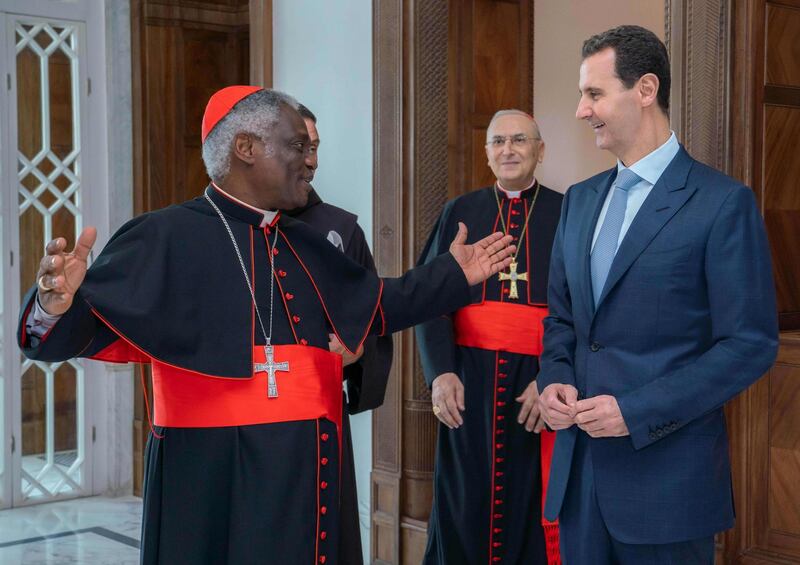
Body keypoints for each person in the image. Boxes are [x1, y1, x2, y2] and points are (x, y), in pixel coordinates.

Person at [18, 86, 516, 565]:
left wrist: (452, 274)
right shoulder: (162, 236)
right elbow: (72, 334)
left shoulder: (305, 241)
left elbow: (380, 303)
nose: (310, 159)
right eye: (297, 145)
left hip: (307, 469)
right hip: (212, 477)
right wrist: (54, 303)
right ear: (246, 148)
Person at [536, 25, 778, 564]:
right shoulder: (578, 202)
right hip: (579, 486)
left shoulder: (722, 204)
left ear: (645, 89)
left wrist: (636, 411)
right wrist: (553, 379)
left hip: (669, 490)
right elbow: (563, 321)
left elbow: (750, 344)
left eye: (594, 94)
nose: (581, 110)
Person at [416, 109, 563, 565]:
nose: (508, 150)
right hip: (469, 380)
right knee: (465, 501)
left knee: (528, 499)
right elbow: (430, 299)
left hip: (535, 384)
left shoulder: (568, 211)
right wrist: (441, 373)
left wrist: (556, 375)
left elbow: (583, 310)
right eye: (498, 141)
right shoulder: (460, 212)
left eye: (520, 140)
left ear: (540, 150)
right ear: (486, 154)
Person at [286, 103, 393, 565]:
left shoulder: (339, 228)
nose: (310, 159)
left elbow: (372, 315)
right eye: (299, 146)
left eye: (315, 147)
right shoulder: (224, 227)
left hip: (317, 413)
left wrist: (355, 348)